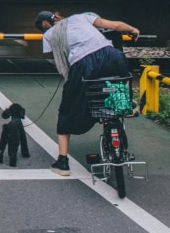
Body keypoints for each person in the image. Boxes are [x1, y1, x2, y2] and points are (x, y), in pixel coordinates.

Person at [34, 10, 140, 176]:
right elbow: (115, 25)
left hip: (83, 64)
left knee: (67, 110)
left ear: (45, 24)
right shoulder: (81, 17)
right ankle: (126, 105)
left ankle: (62, 162)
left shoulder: (49, 34)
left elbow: (62, 60)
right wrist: (132, 30)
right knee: (113, 84)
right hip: (112, 56)